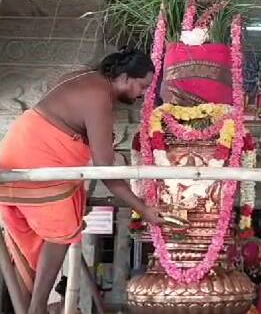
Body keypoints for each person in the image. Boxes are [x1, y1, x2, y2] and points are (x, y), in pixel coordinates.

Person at [0, 50, 164, 314]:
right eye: (141, 86)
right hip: (34, 156)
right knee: (61, 229)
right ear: (123, 76)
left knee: (56, 228)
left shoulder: (87, 78)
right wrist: (143, 208)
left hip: (20, 147)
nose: (142, 93)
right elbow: (104, 170)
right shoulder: (99, 96)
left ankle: (33, 304)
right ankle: (37, 306)